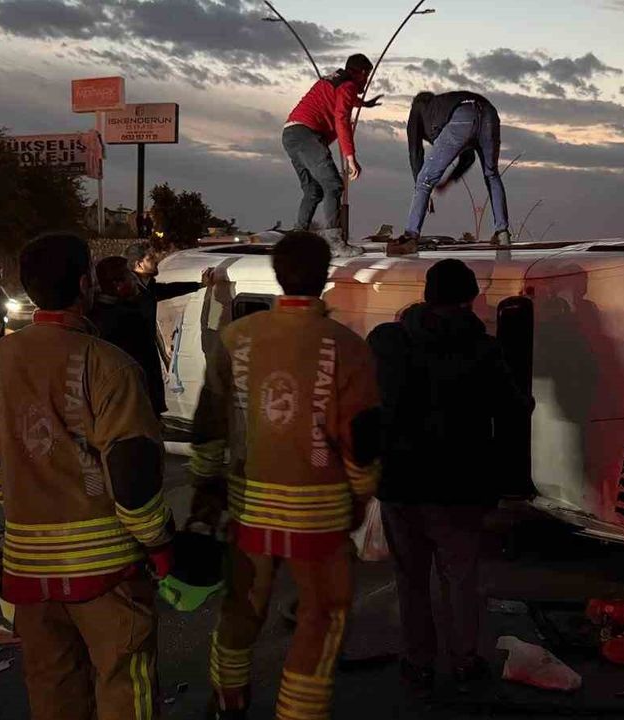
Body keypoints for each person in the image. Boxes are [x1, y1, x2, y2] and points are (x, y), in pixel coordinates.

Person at [0, 233, 175, 720]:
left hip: (27, 570)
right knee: (125, 684)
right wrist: (159, 543)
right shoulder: (109, 365)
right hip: (107, 570)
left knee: (53, 690)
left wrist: (25, 498)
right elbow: (133, 479)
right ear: (84, 285)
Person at [188, 231, 381, 720]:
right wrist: (362, 494)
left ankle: (228, 699)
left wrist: (206, 485)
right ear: (324, 276)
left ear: (276, 274)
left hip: (247, 506)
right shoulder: (347, 347)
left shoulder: (237, 337)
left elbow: (209, 422)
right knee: (323, 614)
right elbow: (360, 439)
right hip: (320, 514)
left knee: (242, 606)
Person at [368, 259, 531, 696]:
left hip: (399, 483)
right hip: (459, 486)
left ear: (426, 295)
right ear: (469, 299)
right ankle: (464, 662)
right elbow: (515, 408)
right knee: (460, 578)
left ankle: (418, 664)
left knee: (410, 580)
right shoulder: (484, 350)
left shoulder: (388, 341)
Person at [283, 53, 382, 258]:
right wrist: (350, 157)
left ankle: (295, 241)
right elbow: (341, 119)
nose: (366, 83)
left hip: (291, 134)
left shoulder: (336, 79)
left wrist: (363, 104)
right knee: (333, 185)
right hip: (307, 134)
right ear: (361, 73)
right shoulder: (348, 85)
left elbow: (343, 98)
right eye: (367, 77)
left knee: (313, 191)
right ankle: (334, 242)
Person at [395, 92, 510, 254]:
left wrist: (423, 190)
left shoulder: (418, 108)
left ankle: (410, 236)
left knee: (424, 180)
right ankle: (502, 233)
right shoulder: (444, 106)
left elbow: (415, 152)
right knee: (492, 174)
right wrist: (447, 182)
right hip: (489, 114)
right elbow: (468, 158)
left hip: (462, 117)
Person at [124, 243, 214, 414]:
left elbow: (166, 289)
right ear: (138, 264)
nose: (156, 260)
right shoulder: (131, 293)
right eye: (150, 258)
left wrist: (199, 285)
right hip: (134, 357)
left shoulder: (147, 287)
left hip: (147, 354)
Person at [89, 256, 165, 413]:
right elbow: (144, 359)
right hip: (136, 400)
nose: (134, 280)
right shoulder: (126, 316)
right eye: (129, 276)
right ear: (118, 284)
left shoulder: (95, 312)